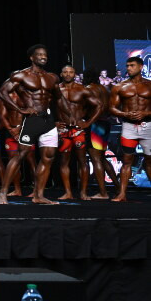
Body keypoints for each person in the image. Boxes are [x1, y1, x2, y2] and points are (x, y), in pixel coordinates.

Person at [0, 45, 70, 205]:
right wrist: (20, 109)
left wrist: (69, 115)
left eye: (45, 55)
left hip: (48, 120)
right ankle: (3, 192)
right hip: (32, 120)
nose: (43, 57)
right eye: (40, 54)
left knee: (48, 157)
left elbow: (59, 98)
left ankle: (39, 195)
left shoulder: (52, 77)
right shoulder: (21, 75)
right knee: (21, 154)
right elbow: (2, 92)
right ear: (32, 57)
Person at [56, 65, 102, 200]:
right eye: (65, 72)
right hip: (63, 129)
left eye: (71, 72)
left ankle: (83, 192)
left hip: (78, 130)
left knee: (82, 161)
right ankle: (68, 192)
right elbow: (46, 106)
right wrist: (53, 122)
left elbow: (99, 105)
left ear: (75, 74)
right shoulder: (56, 90)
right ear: (61, 74)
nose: (68, 74)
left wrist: (88, 122)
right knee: (64, 161)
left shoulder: (82, 89)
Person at [109, 56, 151, 202]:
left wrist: (146, 113)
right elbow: (112, 108)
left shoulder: (149, 85)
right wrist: (125, 114)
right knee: (127, 160)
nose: (128, 68)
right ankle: (122, 194)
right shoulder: (120, 87)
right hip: (128, 127)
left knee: (149, 161)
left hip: (148, 126)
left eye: (132, 65)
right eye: (127, 66)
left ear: (141, 67)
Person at [82, 68, 115, 199]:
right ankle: (118, 187)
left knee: (95, 159)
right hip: (105, 123)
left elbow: (97, 107)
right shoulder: (104, 89)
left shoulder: (89, 89)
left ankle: (103, 193)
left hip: (95, 124)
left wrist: (88, 122)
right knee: (101, 158)